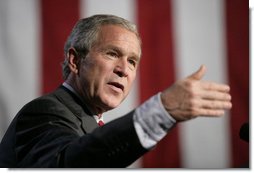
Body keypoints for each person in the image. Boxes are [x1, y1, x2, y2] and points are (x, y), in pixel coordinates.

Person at [0, 14, 232, 168]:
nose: (124, 70)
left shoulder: (87, 120)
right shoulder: (45, 112)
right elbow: (71, 164)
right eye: (112, 53)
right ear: (75, 60)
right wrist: (160, 111)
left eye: (132, 61)